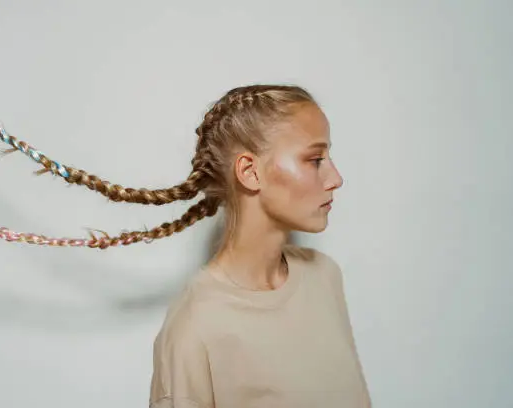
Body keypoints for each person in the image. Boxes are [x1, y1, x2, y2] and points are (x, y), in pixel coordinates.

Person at [148, 84, 371, 408]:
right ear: (250, 172)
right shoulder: (196, 324)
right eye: (315, 159)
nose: (335, 178)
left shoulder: (324, 277)